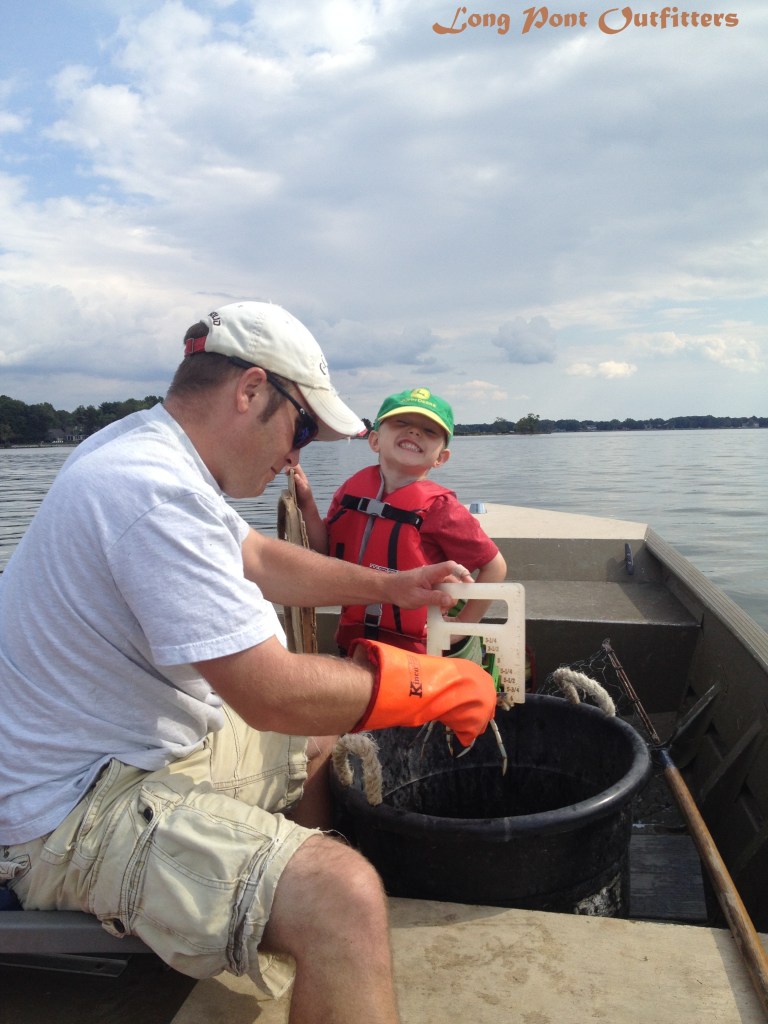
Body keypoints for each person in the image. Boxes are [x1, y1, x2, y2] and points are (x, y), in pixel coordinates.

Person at [0, 301, 497, 1024]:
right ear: (250, 391)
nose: (297, 458)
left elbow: (258, 557)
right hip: (65, 809)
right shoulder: (153, 491)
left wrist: (388, 585)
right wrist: (433, 685)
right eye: (301, 430)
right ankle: (317, 921)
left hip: (129, 750)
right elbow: (272, 695)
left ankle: (285, 907)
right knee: (344, 897)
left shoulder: (144, 447)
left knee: (322, 742)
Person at [293, 386, 507, 656]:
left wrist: (462, 626)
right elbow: (324, 551)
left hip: (416, 654)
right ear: (374, 440)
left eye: (429, 431)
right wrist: (307, 504)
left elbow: (495, 567)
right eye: (401, 423)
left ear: (441, 458)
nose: (414, 432)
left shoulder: (442, 509)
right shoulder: (351, 491)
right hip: (355, 643)